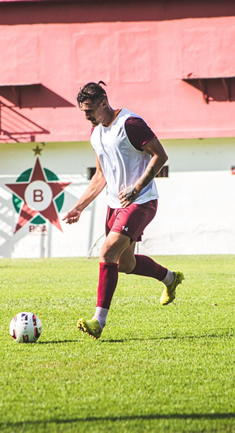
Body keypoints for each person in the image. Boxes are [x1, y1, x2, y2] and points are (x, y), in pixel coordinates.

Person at [63, 81, 184, 339]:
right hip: (115, 205)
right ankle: (170, 278)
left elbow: (160, 156)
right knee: (125, 264)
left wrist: (137, 188)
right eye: (83, 112)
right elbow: (100, 176)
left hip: (141, 202)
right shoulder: (96, 134)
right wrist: (79, 207)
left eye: (90, 111)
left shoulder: (130, 123)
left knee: (107, 252)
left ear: (104, 103)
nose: (87, 117)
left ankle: (98, 321)